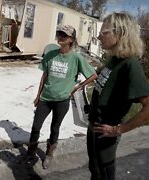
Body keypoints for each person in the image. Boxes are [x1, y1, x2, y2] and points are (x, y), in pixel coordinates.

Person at [87, 12, 149, 180]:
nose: (98, 36)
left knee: (104, 174)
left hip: (106, 133)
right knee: (95, 171)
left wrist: (117, 130)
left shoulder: (130, 64)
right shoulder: (114, 60)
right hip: (94, 127)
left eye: (103, 32)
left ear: (120, 33)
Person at [20, 25, 97, 169]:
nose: (60, 37)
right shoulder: (50, 54)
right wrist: (38, 95)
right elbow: (44, 76)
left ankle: (49, 154)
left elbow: (93, 75)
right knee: (36, 126)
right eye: (59, 34)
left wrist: (77, 87)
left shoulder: (76, 58)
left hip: (62, 100)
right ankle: (31, 153)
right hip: (46, 98)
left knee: (55, 127)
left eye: (64, 35)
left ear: (71, 40)